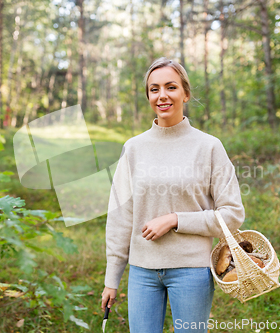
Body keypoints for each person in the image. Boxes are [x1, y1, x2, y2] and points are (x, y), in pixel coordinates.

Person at [101, 57, 245, 333]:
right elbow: (120, 217)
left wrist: (175, 219)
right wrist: (112, 279)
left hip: (192, 270)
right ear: (148, 96)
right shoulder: (133, 148)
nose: (162, 95)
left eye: (171, 87)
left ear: (186, 94)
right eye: (154, 89)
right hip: (142, 271)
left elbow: (232, 214)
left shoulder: (209, 147)